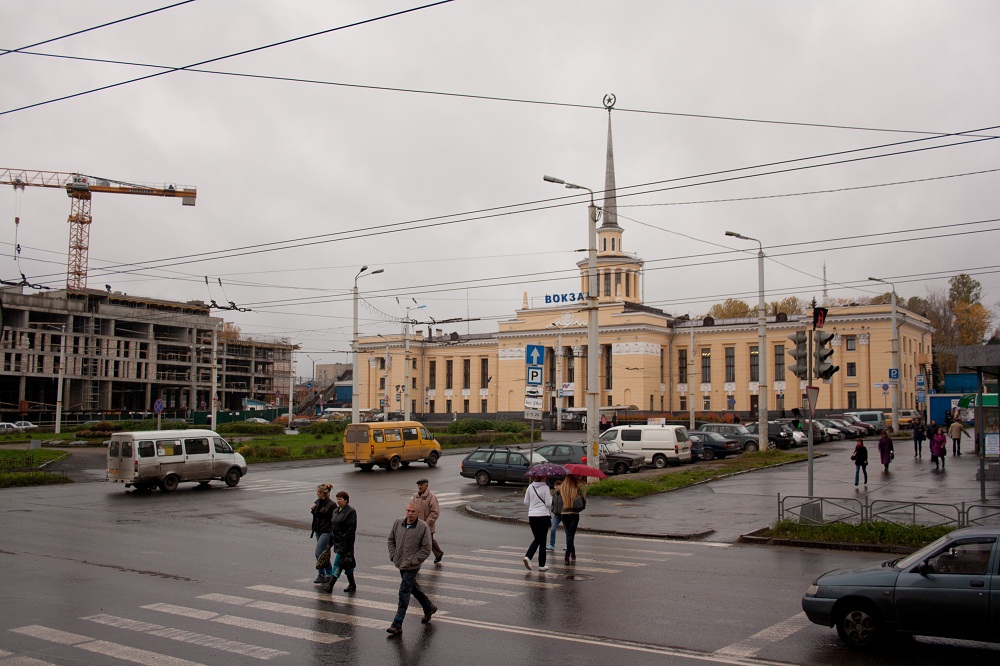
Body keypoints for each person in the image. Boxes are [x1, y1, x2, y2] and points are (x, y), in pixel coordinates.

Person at [386, 503, 437, 635]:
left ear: (418, 512)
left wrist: (414, 560)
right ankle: (428, 607)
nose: (410, 513)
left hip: (412, 565)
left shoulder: (422, 527)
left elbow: (426, 548)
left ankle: (397, 624)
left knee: (404, 591)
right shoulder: (398, 523)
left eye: (413, 511)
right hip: (400, 562)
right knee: (412, 586)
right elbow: (391, 540)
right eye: (408, 511)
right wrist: (393, 555)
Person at [322, 490, 357, 594]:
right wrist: (330, 542)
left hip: (346, 543)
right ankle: (352, 584)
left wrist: (345, 542)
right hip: (337, 542)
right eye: (337, 499)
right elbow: (333, 528)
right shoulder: (336, 511)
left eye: (340, 499)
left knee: (338, 563)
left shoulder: (351, 512)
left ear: (346, 500)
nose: (338, 501)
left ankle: (330, 585)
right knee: (346, 563)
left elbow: (351, 529)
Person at [522, 475, 552, 571]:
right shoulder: (546, 488)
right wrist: (550, 496)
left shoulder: (530, 487)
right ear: (543, 477)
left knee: (537, 538)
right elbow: (548, 503)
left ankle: (530, 558)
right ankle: (537, 562)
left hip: (532, 516)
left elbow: (526, 502)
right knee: (542, 540)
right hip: (543, 516)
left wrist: (533, 506)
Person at [411, 478, 443, 563]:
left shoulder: (431, 497)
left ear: (426, 485)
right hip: (416, 525)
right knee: (416, 542)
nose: (419, 487)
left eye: (421, 485)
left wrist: (426, 523)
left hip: (427, 525)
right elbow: (412, 509)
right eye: (418, 485)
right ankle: (415, 560)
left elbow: (435, 512)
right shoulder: (416, 496)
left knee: (429, 541)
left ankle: (438, 554)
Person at [310, 483, 335, 584]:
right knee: (323, 553)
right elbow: (317, 515)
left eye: (318, 492)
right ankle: (325, 574)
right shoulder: (318, 502)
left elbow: (334, 519)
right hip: (318, 530)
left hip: (327, 531)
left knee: (318, 552)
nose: (317, 494)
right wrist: (313, 510)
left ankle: (326, 573)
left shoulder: (331, 505)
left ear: (323, 493)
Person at [559, 475, 586, 564]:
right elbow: (583, 501)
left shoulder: (562, 489)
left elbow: (558, 502)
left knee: (568, 534)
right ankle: (567, 555)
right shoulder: (576, 489)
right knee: (571, 535)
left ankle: (573, 553)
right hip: (574, 514)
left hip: (564, 513)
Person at [547, 478, 564, 552]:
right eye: (555, 486)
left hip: (564, 514)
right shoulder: (554, 494)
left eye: (557, 486)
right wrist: (553, 510)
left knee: (567, 530)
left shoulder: (564, 493)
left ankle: (567, 544)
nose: (556, 487)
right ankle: (552, 545)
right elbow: (552, 503)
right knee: (553, 529)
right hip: (556, 515)